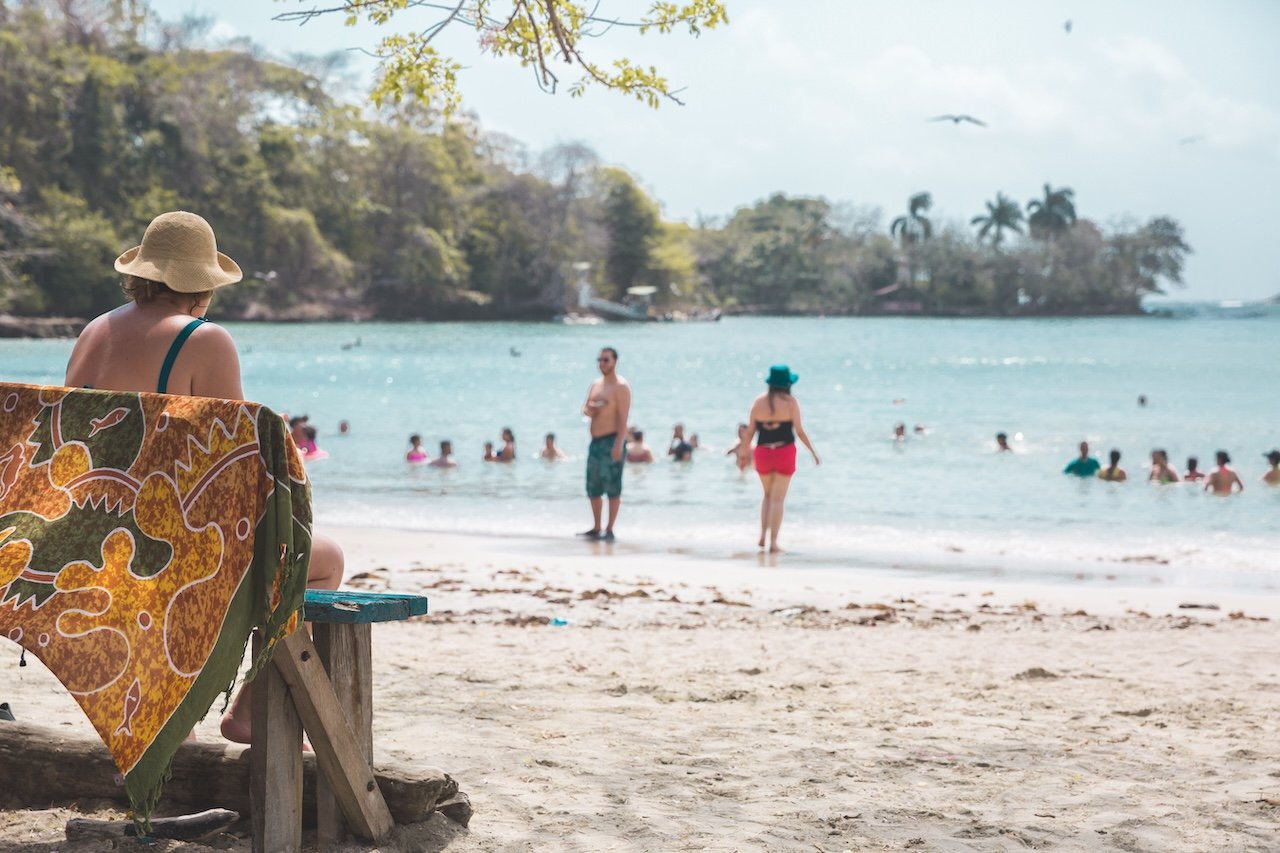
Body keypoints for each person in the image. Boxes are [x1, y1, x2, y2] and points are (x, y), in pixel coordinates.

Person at [61, 210, 343, 745]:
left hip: (88, 539)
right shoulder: (203, 339)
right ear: (202, 287)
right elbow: (235, 472)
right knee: (324, 560)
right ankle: (250, 707)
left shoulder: (94, 332)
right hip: (166, 550)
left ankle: (192, 718)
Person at [746, 365, 819, 553]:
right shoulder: (791, 402)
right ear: (788, 384)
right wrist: (813, 452)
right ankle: (774, 542)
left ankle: (762, 535)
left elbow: (750, 432)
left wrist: (744, 454)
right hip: (784, 452)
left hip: (762, 452)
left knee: (767, 496)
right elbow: (800, 432)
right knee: (778, 500)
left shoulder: (758, 402)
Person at [579, 347, 631, 541]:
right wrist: (591, 409)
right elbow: (586, 409)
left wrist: (619, 444)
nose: (602, 363)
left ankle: (609, 529)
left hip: (612, 440)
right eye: (599, 360)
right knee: (593, 485)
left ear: (615, 362)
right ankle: (596, 526)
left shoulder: (621, 386)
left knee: (613, 486)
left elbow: (623, 418)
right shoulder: (596, 384)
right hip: (595, 441)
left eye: (606, 360)